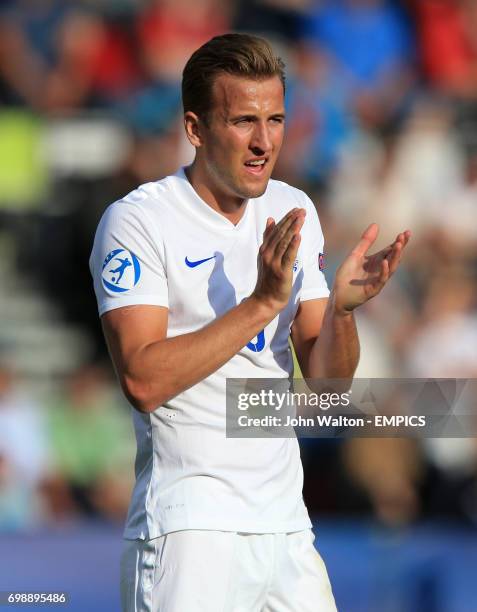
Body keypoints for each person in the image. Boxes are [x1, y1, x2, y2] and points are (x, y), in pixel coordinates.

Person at [90, 33, 410, 612]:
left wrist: (340, 314)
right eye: (243, 121)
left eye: (276, 119)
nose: (264, 142)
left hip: (286, 527)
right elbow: (142, 380)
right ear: (195, 128)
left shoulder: (294, 209)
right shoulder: (138, 222)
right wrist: (262, 304)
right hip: (191, 528)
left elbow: (329, 389)